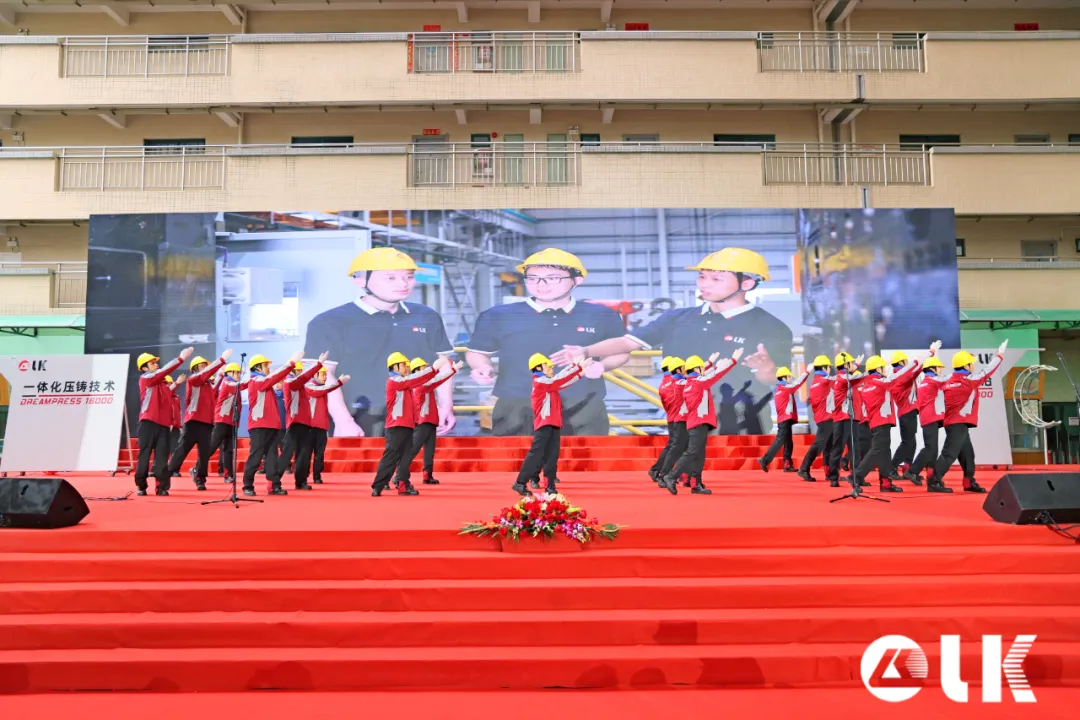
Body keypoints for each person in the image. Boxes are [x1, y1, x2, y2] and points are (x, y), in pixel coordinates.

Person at [562, 248, 793, 435]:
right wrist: (585, 350)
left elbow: (775, 379)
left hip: (743, 425)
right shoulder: (676, 319)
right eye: (702, 276)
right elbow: (628, 343)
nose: (704, 284)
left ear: (747, 284)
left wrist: (766, 368)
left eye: (716, 278)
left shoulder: (771, 326)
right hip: (683, 419)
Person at [466, 248, 628, 437]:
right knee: (518, 463)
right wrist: (482, 367)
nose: (541, 284)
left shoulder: (602, 316)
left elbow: (620, 351)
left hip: (583, 406)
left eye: (553, 278)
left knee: (582, 463)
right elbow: (477, 352)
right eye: (533, 278)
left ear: (577, 280)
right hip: (517, 407)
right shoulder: (497, 316)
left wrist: (602, 366)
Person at [303, 247, 454, 438]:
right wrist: (343, 421)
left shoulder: (426, 316)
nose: (403, 283)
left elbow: (442, 366)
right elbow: (323, 374)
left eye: (409, 277)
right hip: (359, 416)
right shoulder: (331, 322)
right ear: (360, 280)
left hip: (418, 413)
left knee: (418, 467)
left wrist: (445, 406)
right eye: (390, 278)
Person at [848, 343, 939, 493]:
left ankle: (885, 483)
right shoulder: (881, 383)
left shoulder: (869, 383)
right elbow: (902, 374)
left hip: (878, 422)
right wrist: (929, 353)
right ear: (877, 369)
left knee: (884, 452)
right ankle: (857, 475)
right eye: (883, 368)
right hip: (881, 422)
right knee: (878, 450)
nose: (886, 370)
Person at [660, 349, 744, 495]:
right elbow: (715, 375)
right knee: (692, 452)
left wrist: (713, 364)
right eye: (701, 368)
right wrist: (732, 361)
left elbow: (709, 375)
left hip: (697, 422)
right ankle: (671, 477)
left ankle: (696, 483)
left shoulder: (691, 382)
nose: (704, 370)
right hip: (698, 423)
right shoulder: (697, 383)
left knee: (699, 454)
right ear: (696, 369)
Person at [931, 341, 1008, 493]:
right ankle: (934, 481)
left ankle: (968, 482)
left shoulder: (948, 380)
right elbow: (988, 370)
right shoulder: (969, 381)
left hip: (955, 424)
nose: (973, 366)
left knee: (968, 454)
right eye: (971, 364)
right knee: (949, 454)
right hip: (958, 424)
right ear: (966, 366)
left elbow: (935, 376)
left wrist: (934, 354)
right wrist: (999, 355)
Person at [511, 353, 591, 496]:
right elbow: (559, 381)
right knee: (536, 454)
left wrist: (577, 372)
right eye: (548, 365)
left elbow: (561, 382)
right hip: (544, 423)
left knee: (551, 456)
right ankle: (520, 482)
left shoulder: (547, 383)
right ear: (539, 367)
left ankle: (550, 486)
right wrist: (575, 368)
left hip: (553, 423)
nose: (551, 367)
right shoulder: (540, 382)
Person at [371, 352, 448, 497]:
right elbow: (416, 379)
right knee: (390, 457)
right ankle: (378, 485)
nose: (407, 368)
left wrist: (439, 370)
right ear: (395, 366)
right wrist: (433, 368)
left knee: (406, 458)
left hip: (408, 426)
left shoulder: (405, 381)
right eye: (404, 365)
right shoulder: (394, 381)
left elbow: (422, 380)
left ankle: (402, 484)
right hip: (395, 426)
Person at [166, 351, 231, 491]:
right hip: (193, 421)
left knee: (204, 454)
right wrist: (221, 360)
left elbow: (215, 385)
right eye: (202, 366)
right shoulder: (193, 380)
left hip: (207, 424)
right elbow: (204, 375)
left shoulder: (208, 385)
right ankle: (166, 475)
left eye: (205, 366)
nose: (205, 368)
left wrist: (221, 373)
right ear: (195, 368)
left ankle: (200, 479)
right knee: (182, 450)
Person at [393, 357, 462, 490]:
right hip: (422, 422)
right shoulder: (420, 385)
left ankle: (427, 475)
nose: (426, 370)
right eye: (423, 368)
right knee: (412, 450)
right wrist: (452, 370)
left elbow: (435, 379)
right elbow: (438, 379)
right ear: (417, 370)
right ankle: (398, 475)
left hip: (430, 421)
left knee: (429, 451)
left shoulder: (424, 383)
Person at [243, 351, 304, 497]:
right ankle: (247, 485)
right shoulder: (256, 381)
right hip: (259, 426)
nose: (268, 368)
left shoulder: (264, 382)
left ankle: (274, 486)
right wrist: (290, 364)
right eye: (265, 366)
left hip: (271, 426)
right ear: (257, 367)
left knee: (272, 458)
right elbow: (275, 376)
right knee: (256, 457)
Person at [134, 349, 193, 496]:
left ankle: (162, 487)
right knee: (144, 455)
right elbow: (163, 372)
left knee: (162, 457)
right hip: (148, 423)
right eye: (152, 363)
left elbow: (168, 390)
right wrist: (180, 358)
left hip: (163, 426)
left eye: (156, 362)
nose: (156, 364)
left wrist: (177, 383)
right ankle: (141, 485)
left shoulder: (161, 385)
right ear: (144, 368)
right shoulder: (146, 379)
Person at [280, 354, 329, 491]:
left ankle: (300, 481)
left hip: (304, 424)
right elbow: (305, 377)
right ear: (293, 372)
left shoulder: (300, 385)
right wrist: (318, 364)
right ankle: (274, 481)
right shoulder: (289, 383)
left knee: (304, 455)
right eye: (299, 371)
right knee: (287, 454)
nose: (300, 374)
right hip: (295, 423)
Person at [908, 356, 951, 492]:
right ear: (932, 369)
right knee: (930, 449)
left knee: (932, 450)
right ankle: (913, 471)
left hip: (928, 418)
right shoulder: (933, 380)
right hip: (931, 418)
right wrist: (960, 369)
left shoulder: (926, 381)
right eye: (939, 368)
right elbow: (948, 378)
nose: (940, 371)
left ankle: (931, 478)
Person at [758, 365, 809, 473]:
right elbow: (798, 384)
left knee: (788, 442)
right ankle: (765, 460)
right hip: (785, 419)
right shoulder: (785, 388)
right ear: (784, 377)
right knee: (780, 441)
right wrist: (807, 372)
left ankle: (787, 464)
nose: (791, 379)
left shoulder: (780, 389)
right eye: (789, 377)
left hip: (784, 419)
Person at [304, 366, 351, 485]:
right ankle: (303, 477)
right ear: (315, 375)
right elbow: (324, 390)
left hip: (321, 426)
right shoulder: (309, 386)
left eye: (325, 375)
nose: (325, 377)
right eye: (323, 375)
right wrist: (338, 383)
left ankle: (317, 475)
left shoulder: (323, 388)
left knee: (320, 453)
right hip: (310, 427)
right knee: (307, 453)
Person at [825, 352, 866, 487]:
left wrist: (856, 365)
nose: (853, 365)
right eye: (851, 363)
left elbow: (853, 376)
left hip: (850, 417)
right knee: (839, 448)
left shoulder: (843, 376)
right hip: (843, 419)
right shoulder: (843, 377)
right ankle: (834, 477)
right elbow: (858, 377)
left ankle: (856, 477)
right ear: (845, 364)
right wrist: (871, 371)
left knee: (855, 449)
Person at [797, 355, 835, 483]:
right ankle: (804, 468)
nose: (830, 370)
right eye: (829, 367)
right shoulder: (824, 380)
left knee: (827, 447)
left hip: (824, 417)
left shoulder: (816, 381)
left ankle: (829, 473)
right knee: (819, 445)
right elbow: (841, 379)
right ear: (824, 367)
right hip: (826, 418)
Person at [207, 362, 246, 483]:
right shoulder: (227, 382)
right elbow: (243, 385)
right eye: (237, 372)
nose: (239, 375)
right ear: (229, 373)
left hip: (231, 422)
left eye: (240, 372)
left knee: (229, 450)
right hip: (222, 420)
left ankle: (228, 475)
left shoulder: (233, 384)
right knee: (212, 446)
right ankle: (197, 468)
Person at [888, 350, 923, 483]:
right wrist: (927, 355)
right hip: (907, 412)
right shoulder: (900, 375)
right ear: (901, 362)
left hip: (908, 412)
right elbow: (916, 371)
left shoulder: (899, 374)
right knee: (907, 443)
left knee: (911, 442)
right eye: (905, 361)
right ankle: (892, 467)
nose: (907, 363)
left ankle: (908, 468)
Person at [649, 356, 679, 483]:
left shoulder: (664, 382)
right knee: (674, 446)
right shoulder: (674, 382)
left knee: (673, 446)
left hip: (672, 417)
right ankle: (659, 470)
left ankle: (660, 470)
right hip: (677, 418)